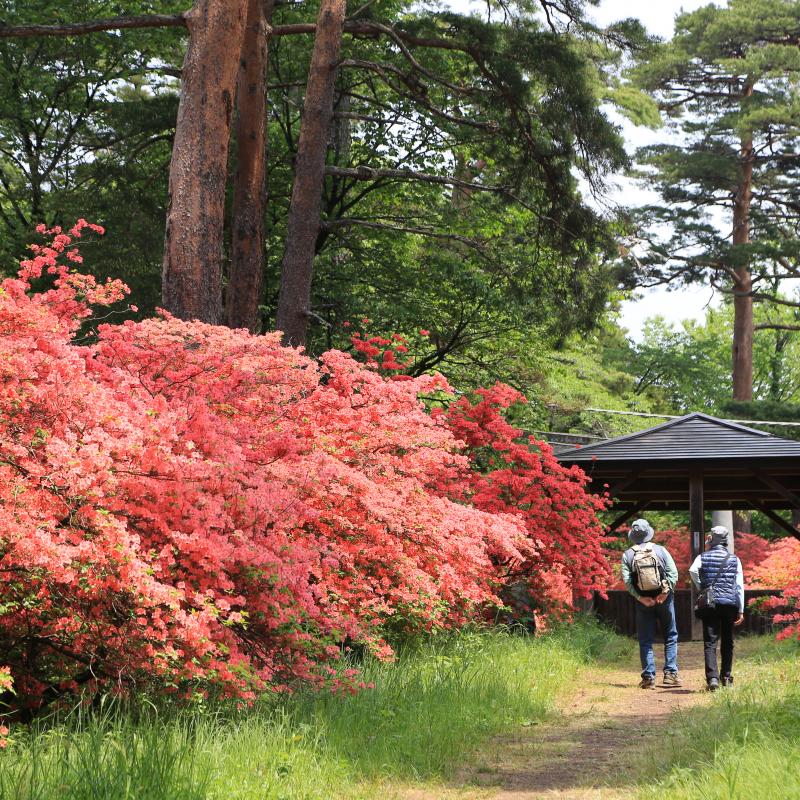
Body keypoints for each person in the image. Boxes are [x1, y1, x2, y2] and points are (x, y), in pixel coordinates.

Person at [621, 518, 680, 689]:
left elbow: (627, 582)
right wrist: (664, 593)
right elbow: (673, 574)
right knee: (670, 635)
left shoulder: (628, 555)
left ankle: (648, 677)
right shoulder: (661, 551)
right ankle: (670, 675)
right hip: (664, 598)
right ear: (648, 533)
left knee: (645, 639)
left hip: (643, 600)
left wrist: (641, 598)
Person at [689, 525, 745, 691]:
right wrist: (741, 609)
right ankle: (726, 677)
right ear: (726, 541)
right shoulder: (735, 559)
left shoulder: (703, 557)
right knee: (728, 641)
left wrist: (702, 586)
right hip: (729, 604)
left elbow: (692, 570)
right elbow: (739, 586)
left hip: (711, 603)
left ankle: (712, 679)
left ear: (710, 539)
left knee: (710, 641)